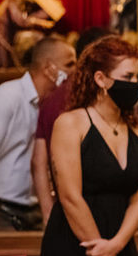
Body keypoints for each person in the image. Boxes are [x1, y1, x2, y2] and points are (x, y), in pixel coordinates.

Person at [39, 36, 138, 256]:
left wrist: (115, 246)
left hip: (120, 245)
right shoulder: (70, 124)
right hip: (76, 243)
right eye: (128, 77)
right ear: (100, 79)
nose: (135, 84)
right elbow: (70, 196)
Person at [0, 36, 75, 241]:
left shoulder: (53, 105)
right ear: (49, 69)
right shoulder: (7, 96)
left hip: (31, 208)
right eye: (69, 64)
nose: (74, 71)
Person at [33, 29, 106, 221]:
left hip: (63, 209)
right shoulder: (99, 96)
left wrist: (48, 211)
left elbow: (39, 163)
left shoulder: (49, 100)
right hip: (99, 206)